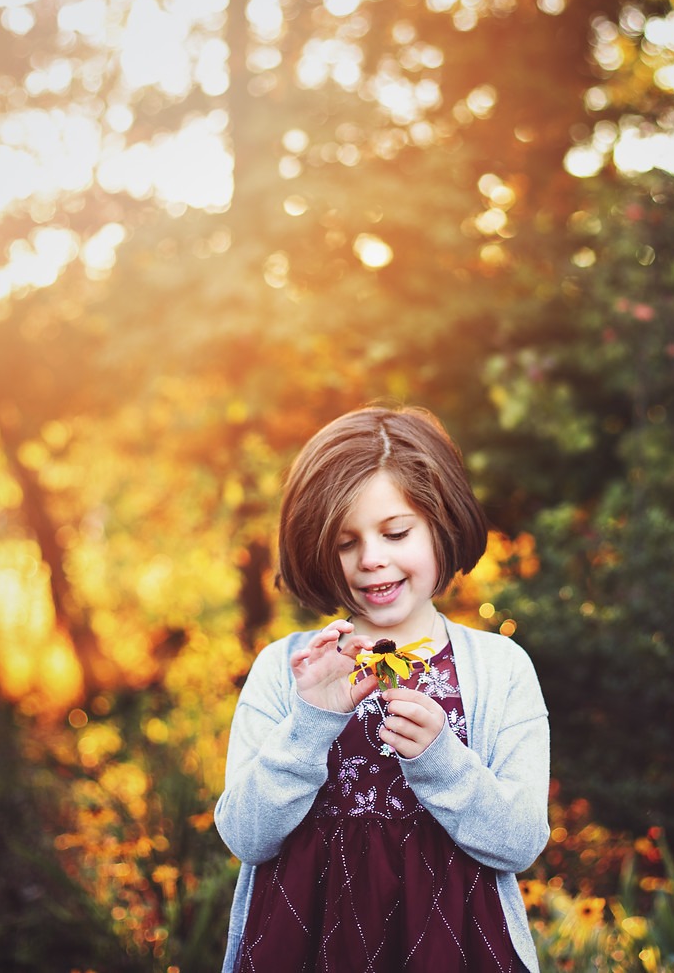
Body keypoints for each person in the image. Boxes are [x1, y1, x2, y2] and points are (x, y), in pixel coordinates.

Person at [215, 405, 551, 972]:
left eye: (396, 532)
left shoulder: (501, 669)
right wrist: (308, 726)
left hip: (457, 949)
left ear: (442, 523)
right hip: (304, 946)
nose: (372, 559)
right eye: (346, 542)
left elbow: (517, 842)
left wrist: (443, 760)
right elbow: (247, 836)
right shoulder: (287, 668)